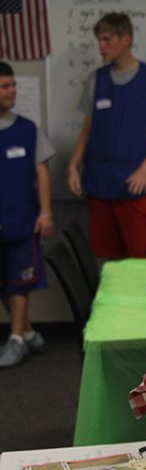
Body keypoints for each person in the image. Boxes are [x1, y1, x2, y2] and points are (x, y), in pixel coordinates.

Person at [66, 12, 146, 259]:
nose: (101, 46)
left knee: (141, 261)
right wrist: (73, 166)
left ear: (126, 39)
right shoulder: (97, 79)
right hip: (100, 184)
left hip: (137, 185)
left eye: (107, 39)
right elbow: (87, 129)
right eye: (99, 40)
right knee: (107, 262)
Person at [0, 62, 55, 368]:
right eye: (4, 86)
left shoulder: (27, 130)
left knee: (20, 283)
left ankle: (16, 339)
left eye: (13, 86)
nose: (11, 92)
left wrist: (46, 212)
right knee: (3, 284)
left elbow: (42, 173)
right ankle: (29, 331)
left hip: (22, 221)